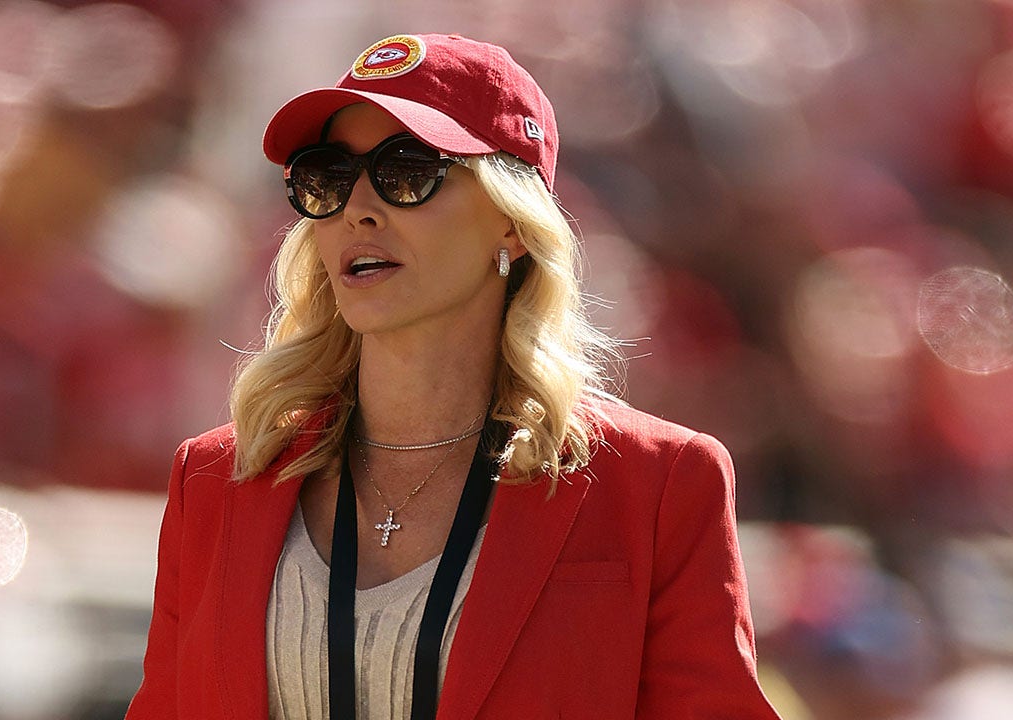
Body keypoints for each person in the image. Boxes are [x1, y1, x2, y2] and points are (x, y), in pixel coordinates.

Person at [126, 32, 781, 719]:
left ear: (512, 225)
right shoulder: (214, 480)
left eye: (407, 171)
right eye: (328, 177)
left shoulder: (661, 483)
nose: (358, 208)